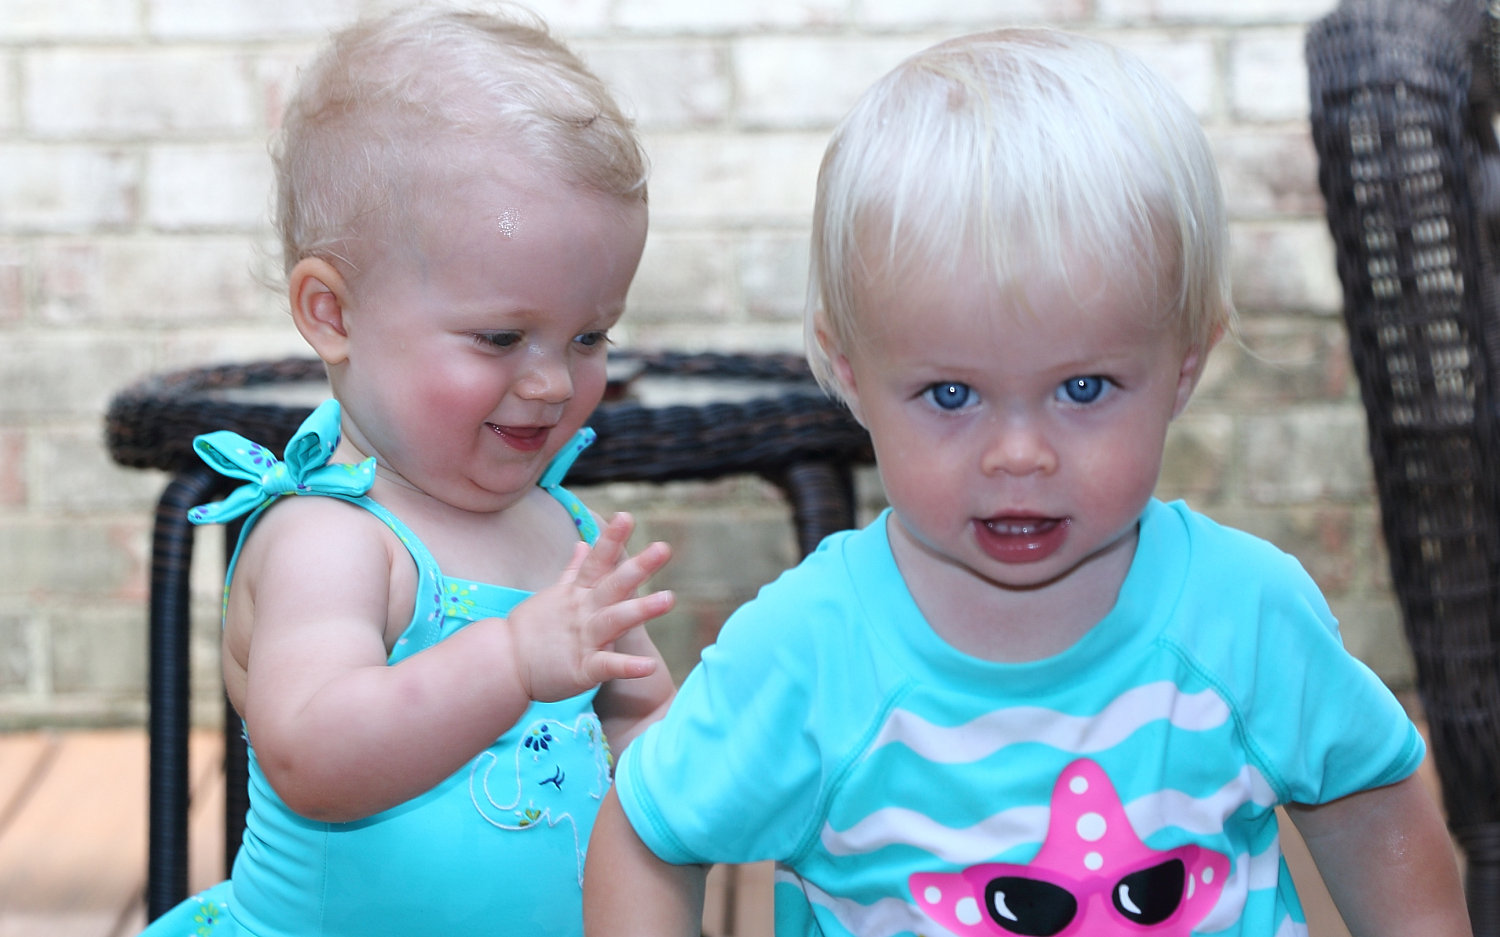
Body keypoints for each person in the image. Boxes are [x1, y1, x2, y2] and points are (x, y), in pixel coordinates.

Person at [583, 27, 1472, 937]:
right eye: (951, 393)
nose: (1019, 455)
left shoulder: (1245, 618)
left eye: (1083, 389)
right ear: (850, 373)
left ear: (1184, 367)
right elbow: (651, 838)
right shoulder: (810, 652)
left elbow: (1369, 803)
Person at [138, 6, 675, 936]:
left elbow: (640, 721)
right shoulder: (330, 539)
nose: (554, 381)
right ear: (333, 314)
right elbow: (315, 755)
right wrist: (511, 659)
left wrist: (729, 759)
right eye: (500, 336)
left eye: (591, 336)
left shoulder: (565, 531)